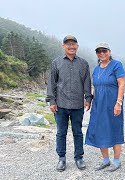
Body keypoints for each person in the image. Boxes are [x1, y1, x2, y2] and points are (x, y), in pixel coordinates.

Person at [46, 35, 92, 172]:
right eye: (68, 44)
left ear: (77, 46)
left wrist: (88, 99)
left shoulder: (83, 63)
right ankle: (61, 158)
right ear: (63, 46)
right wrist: (52, 101)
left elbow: (87, 83)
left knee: (77, 132)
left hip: (78, 105)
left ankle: (79, 157)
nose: (71, 46)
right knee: (61, 133)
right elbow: (52, 83)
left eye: (74, 44)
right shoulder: (56, 62)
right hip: (60, 105)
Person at [85, 42, 125, 172]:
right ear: (97, 54)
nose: (102, 53)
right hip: (98, 104)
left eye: (104, 51)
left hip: (113, 104)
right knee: (100, 130)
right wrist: (90, 100)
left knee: (115, 129)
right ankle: (105, 160)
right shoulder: (96, 69)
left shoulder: (116, 65)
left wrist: (118, 103)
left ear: (109, 52)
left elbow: (122, 84)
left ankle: (117, 160)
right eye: (99, 51)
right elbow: (96, 87)